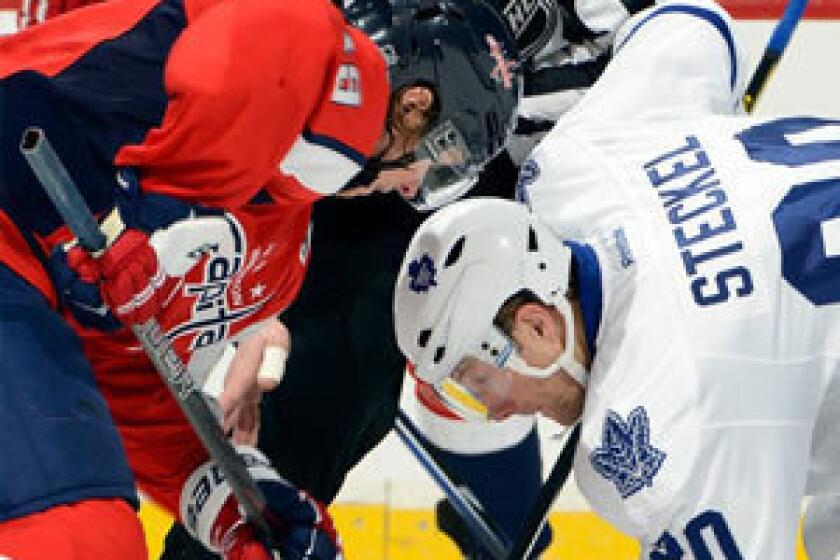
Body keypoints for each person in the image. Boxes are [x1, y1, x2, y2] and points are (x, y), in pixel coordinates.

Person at [393, 0, 840, 557]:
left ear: (535, 327)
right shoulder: (574, 168)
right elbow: (694, 26)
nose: (497, 412)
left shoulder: (654, 422)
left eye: (479, 383)